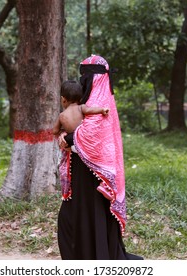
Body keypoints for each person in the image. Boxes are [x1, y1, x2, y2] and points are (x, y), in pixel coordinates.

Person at [57, 55, 142, 260]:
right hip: (84, 171)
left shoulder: (98, 102)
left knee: (91, 214)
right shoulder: (90, 102)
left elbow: (90, 136)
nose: (83, 81)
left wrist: (67, 138)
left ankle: (93, 258)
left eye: (86, 76)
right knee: (78, 216)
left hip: (93, 176)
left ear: (94, 78)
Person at [53, 80, 112, 200]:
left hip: (72, 143)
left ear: (63, 99)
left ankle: (67, 191)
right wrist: (102, 110)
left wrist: (62, 133)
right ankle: (106, 184)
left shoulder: (62, 116)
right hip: (83, 143)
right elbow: (91, 111)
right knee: (99, 160)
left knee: (68, 163)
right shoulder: (81, 108)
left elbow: (54, 131)